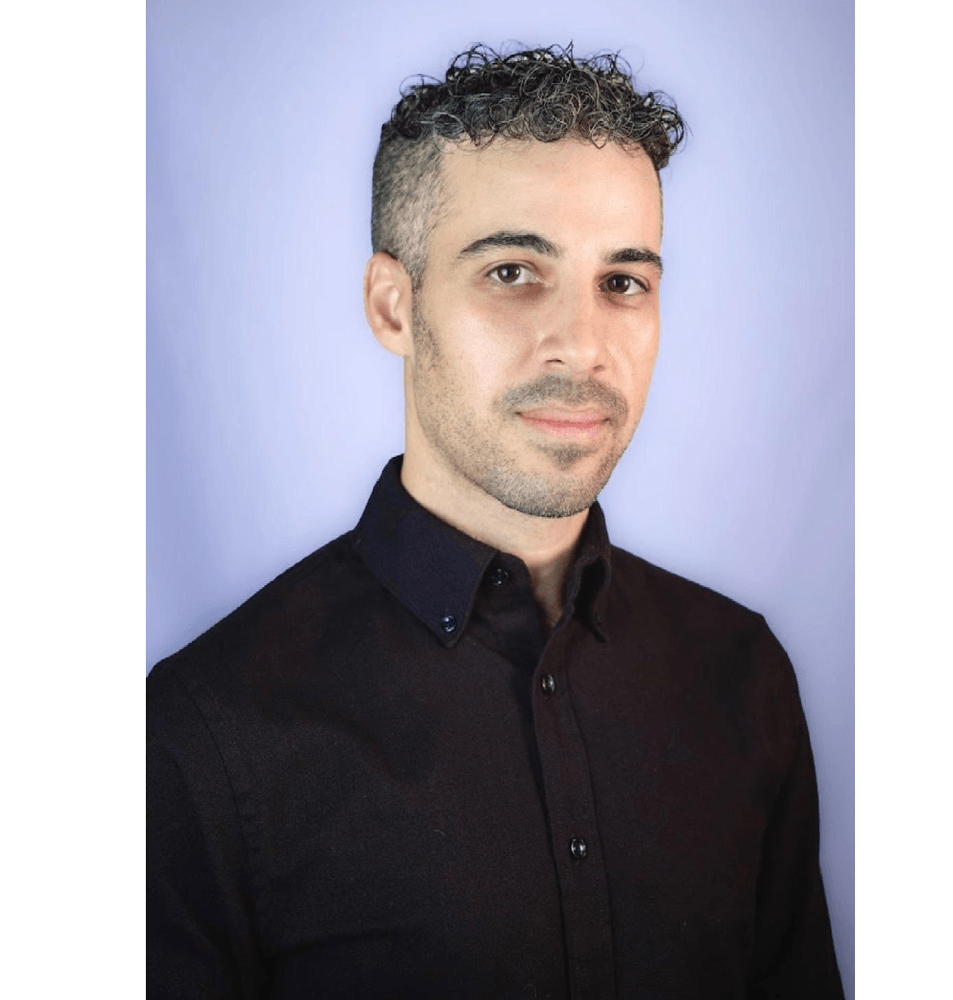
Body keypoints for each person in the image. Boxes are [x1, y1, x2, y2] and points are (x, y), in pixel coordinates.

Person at [147, 44, 843, 999]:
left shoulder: (743, 672)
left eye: (624, 281)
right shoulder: (204, 733)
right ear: (394, 306)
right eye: (514, 271)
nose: (586, 346)